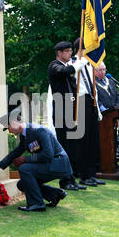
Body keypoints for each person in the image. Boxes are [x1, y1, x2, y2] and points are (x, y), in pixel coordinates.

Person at [0, 108, 71, 211]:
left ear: (14, 123)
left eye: (8, 127)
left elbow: (48, 154)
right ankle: (54, 194)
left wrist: (26, 159)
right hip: (51, 163)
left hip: (58, 163)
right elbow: (15, 152)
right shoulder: (26, 135)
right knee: (22, 184)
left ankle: (37, 204)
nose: (10, 131)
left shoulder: (39, 131)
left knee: (25, 169)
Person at [47, 41, 86, 190]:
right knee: (64, 148)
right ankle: (64, 181)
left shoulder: (66, 68)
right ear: (59, 53)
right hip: (61, 112)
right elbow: (64, 72)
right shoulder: (54, 66)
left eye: (71, 51)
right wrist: (77, 65)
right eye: (68, 51)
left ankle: (72, 178)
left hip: (70, 110)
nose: (71, 53)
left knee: (73, 147)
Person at [72, 37, 105, 187]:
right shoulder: (74, 64)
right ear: (80, 49)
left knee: (93, 141)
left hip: (91, 102)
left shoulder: (91, 65)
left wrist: (97, 108)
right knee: (83, 141)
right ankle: (83, 175)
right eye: (88, 49)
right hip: (80, 102)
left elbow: (94, 89)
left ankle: (92, 174)